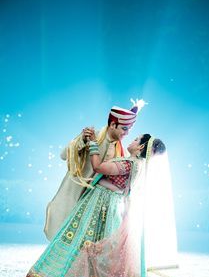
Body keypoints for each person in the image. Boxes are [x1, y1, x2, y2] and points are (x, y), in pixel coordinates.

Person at [21, 134, 178, 277]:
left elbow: (98, 167)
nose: (132, 141)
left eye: (136, 139)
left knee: (85, 244)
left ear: (141, 147)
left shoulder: (129, 164)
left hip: (101, 205)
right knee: (97, 246)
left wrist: (94, 144)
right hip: (109, 204)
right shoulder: (138, 165)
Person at [44, 99, 147, 241]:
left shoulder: (120, 150)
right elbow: (63, 155)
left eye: (129, 129)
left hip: (94, 206)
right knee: (63, 237)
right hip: (75, 193)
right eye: (124, 128)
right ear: (112, 124)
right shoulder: (93, 136)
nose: (128, 133)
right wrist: (82, 141)